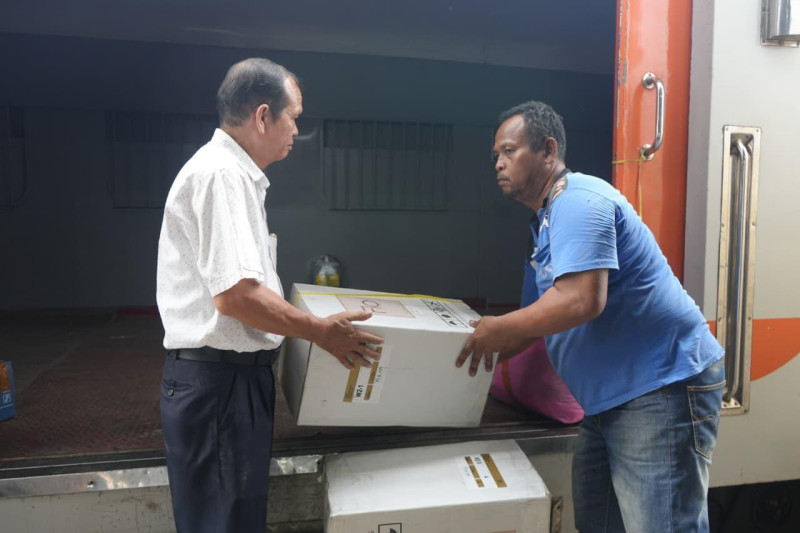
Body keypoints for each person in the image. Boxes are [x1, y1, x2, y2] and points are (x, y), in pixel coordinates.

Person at [456, 101, 725, 532]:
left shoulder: (578, 199)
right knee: (598, 522)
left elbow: (582, 300)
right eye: (495, 156)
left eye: (509, 151)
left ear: (548, 150)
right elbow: (534, 321)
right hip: (606, 401)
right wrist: (469, 359)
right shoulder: (543, 227)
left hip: (659, 389)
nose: (499, 164)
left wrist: (497, 328)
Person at [156, 58, 382, 533]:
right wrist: (320, 332)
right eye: (293, 117)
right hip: (218, 387)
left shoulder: (236, 176)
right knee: (223, 522)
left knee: (235, 519)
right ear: (263, 116)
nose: (296, 130)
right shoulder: (222, 175)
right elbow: (237, 297)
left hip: (230, 384)